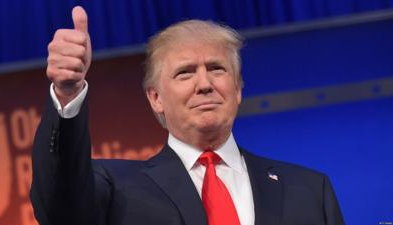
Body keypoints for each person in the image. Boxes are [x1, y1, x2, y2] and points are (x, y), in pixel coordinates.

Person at [30, 6, 345, 225]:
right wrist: (68, 94)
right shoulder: (115, 188)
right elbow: (59, 209)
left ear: (238, 89)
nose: (204, 84)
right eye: (185, 73)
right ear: (156, 99)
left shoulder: (309, 190)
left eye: (216, 68)